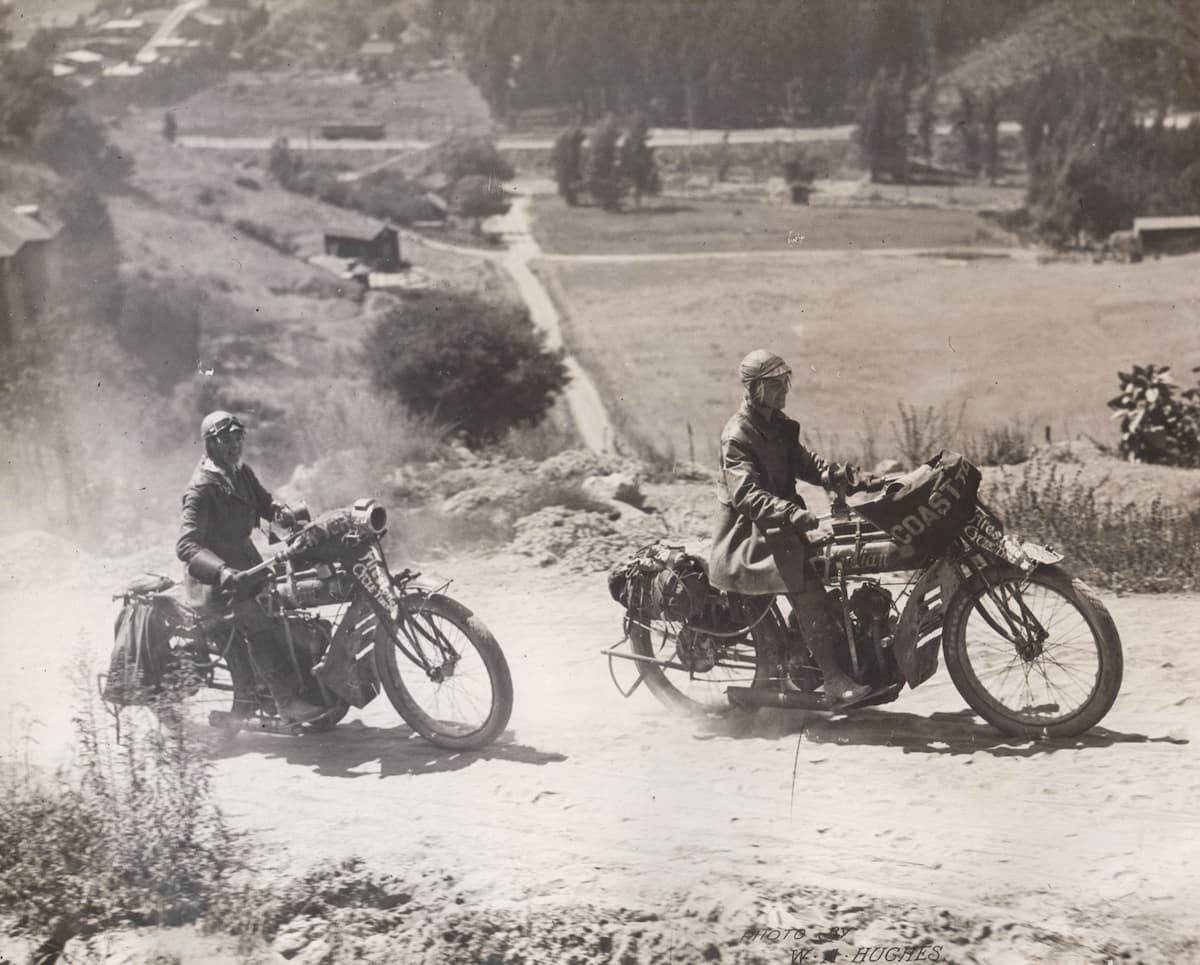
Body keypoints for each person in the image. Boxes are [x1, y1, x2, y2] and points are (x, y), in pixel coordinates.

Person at [709, 350, 875, 708]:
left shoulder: (778, 425)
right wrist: (790, 512)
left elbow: (806, 464)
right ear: (754, 389)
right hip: (748, 532)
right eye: (774, 384)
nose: (784, 390)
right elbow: (746, 495)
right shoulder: (737, 436)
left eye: (785, 382)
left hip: (780, 523)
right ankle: (833, 679)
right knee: (807, 585)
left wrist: (837, 474)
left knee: (841, 559)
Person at [176, 410, 324, 723]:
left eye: (237, 437)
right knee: (258, 623)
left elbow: (263, 502)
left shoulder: (240, 472)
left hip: (247, 566)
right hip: (214, 582)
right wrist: (221, 571)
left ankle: (303, 683)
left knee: (287, 606)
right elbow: (186, 546)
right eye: (225, 440)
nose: (234, 445)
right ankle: (285, 702)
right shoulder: (202, 489)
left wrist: (281, 514)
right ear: (211, 445)